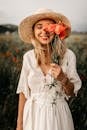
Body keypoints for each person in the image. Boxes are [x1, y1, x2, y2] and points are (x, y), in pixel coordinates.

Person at [16, 8, 82, 130]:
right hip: (33, 115)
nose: (44, 31)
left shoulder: (68, 56)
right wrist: (19, 125)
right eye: (39, 27)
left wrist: (63, 79)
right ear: (33, 31)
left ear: (56, 30)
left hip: (58, 115)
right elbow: (23, 93)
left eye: (49, 27)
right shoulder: (28, 57)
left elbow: (72, 93)